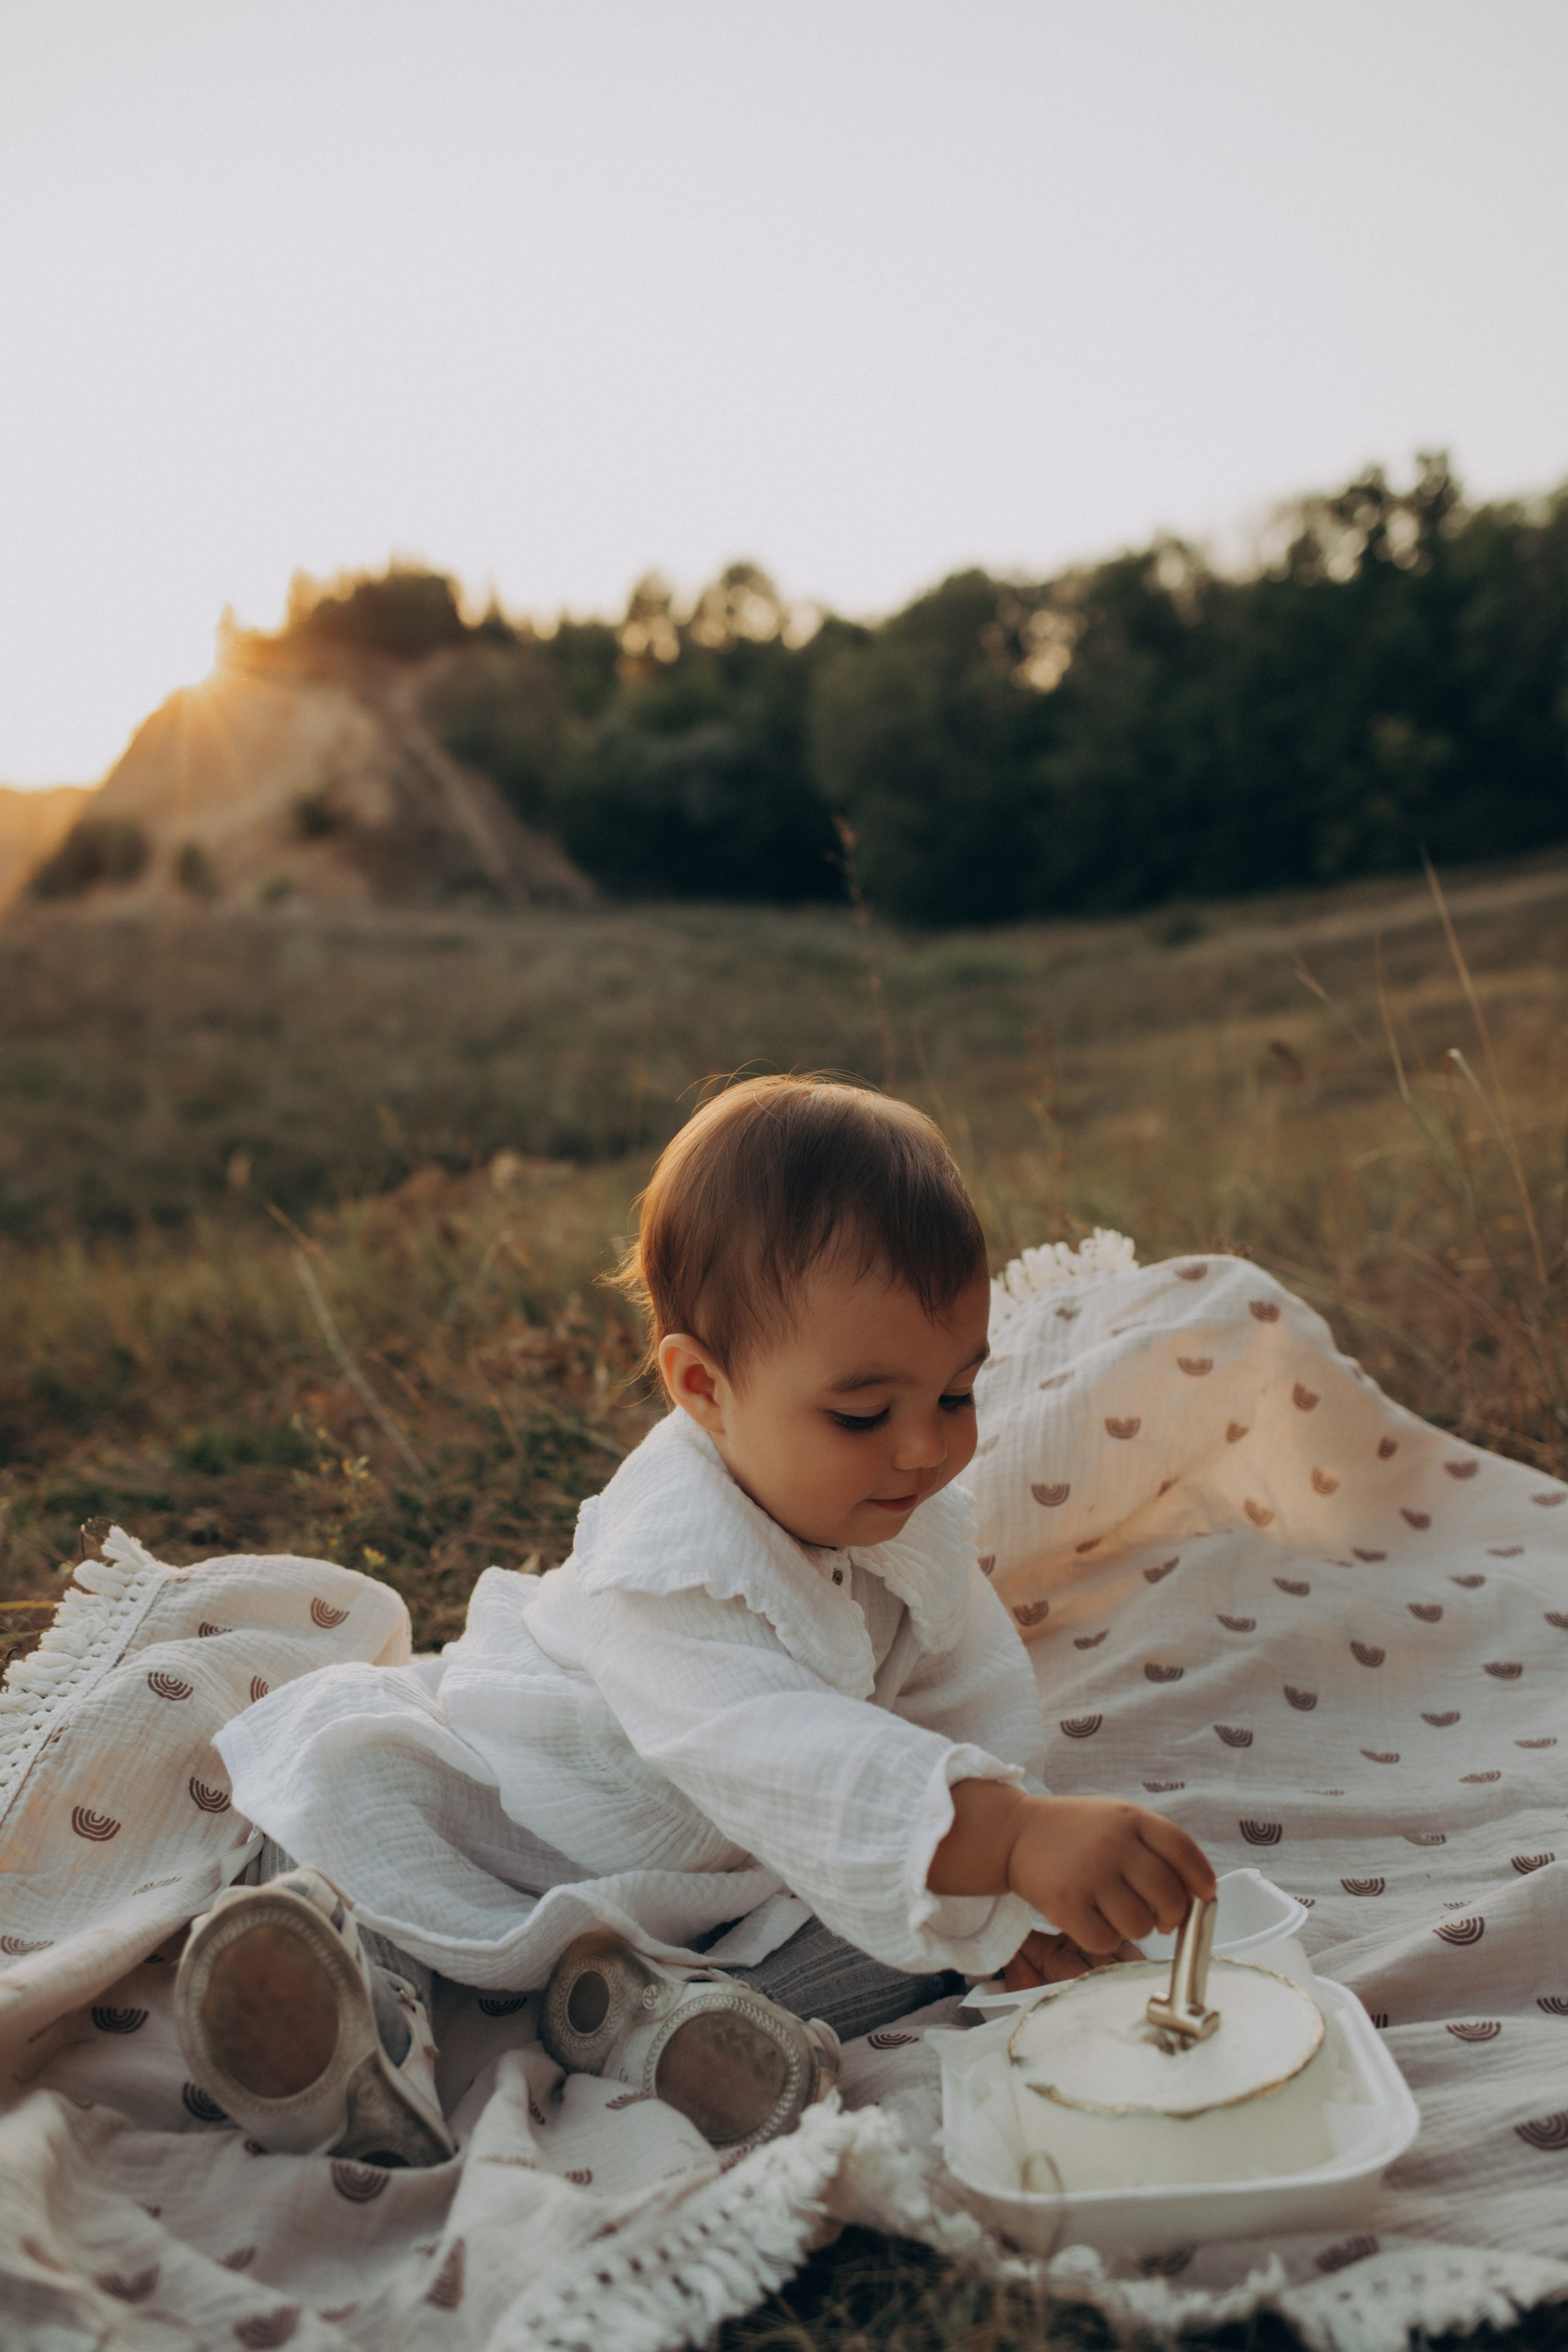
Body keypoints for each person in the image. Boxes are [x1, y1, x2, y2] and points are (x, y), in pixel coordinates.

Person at [179, 1077, 1214, 2166]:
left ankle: (640, 2021)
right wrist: (1002, 1839)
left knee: (916, 1922)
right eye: (864, 1413)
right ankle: (353, 2027)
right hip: (524, 1818)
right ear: (702, 1387)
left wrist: (1007, 1882)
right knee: (346, 1798)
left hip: (732, 1870)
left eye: (956, 1394)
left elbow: (965, 1695)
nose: (924, 1448)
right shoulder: (667, 1566)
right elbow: (775, 1742)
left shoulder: (904, 1515)